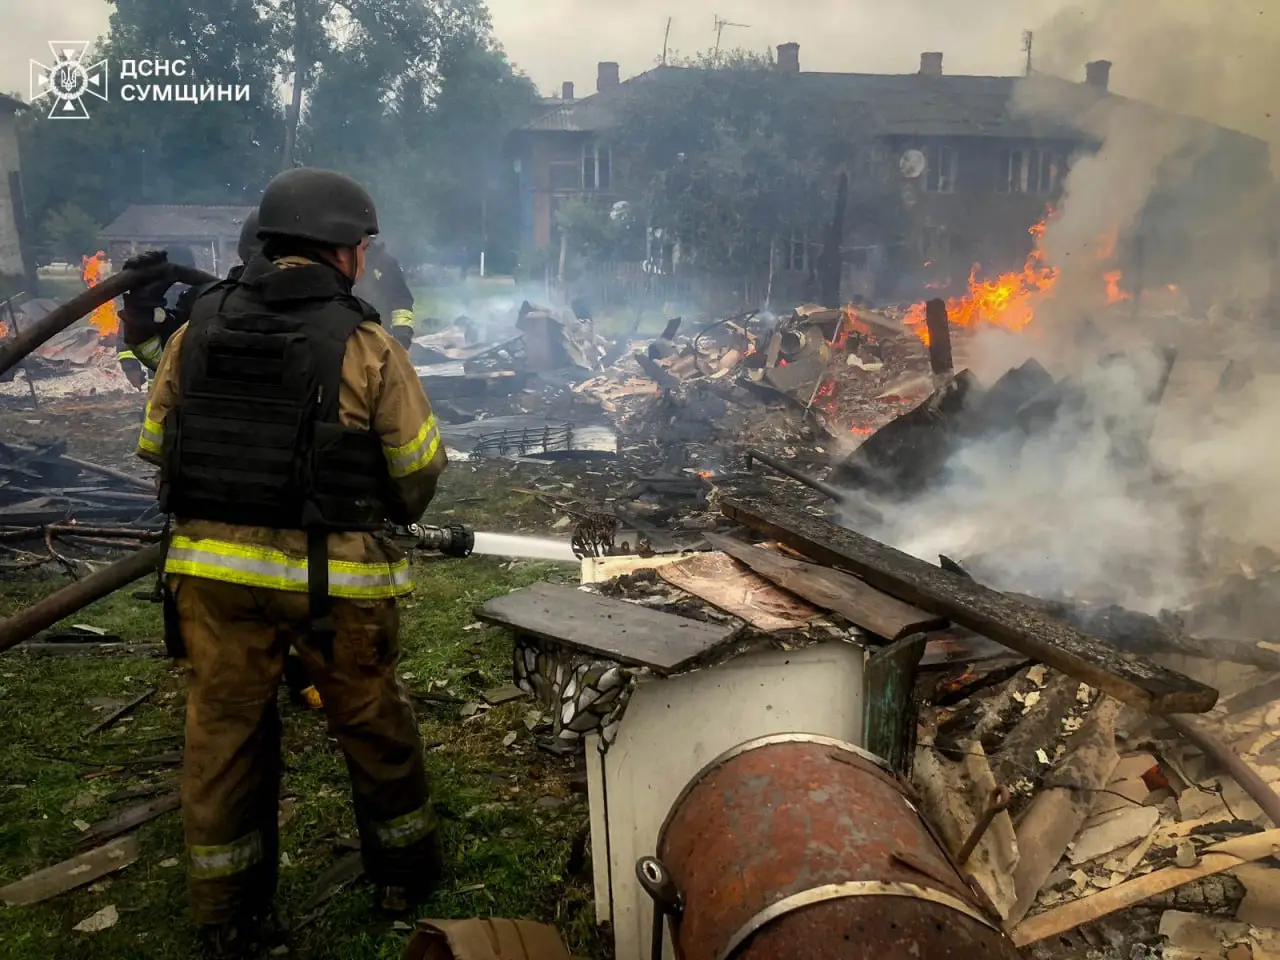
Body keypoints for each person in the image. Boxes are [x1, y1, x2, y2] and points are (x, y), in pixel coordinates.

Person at [136, 167, 447, 959]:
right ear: (347, 252)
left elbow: (154, 446)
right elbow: (416, 467)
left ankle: (226, 913)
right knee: (371, 722)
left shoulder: (192, 331)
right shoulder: (365, 342)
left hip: (209, 580)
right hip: (331, 581)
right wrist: (385, 510)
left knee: (223, 737)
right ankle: (403, 872)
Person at [117, 244, 201, 388]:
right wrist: (131, 367)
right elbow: (128, 330)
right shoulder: (152, 299)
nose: (178, 284)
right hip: (160, 377)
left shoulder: (205, 296)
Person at [352, 239, 416, 349]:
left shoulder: (385, 263)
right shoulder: (337, 260)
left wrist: (402, 332)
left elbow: (400, 299)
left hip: (379, 336)